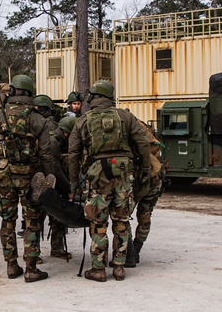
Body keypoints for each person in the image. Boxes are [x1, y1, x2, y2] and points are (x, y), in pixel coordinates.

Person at [67, 80, 151, 282]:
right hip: (124, 174)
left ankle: (98, 269)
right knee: (121, 221)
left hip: (98, 177)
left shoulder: (83, 120)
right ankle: (119, 267)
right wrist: (145, 169)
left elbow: (73, 153)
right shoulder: (126, 116)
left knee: (98, 222)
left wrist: (73, 182)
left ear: (92, 97)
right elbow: (143, 143)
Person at [0, 75, 59, 282]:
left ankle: (11, 265)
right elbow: (45, 154)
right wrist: (49, 177)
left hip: (2, 176)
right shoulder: (37, 119)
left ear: (13, 91)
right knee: (32, 221)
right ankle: (32, 268)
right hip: (29, 177)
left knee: (7, 221)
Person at [32, 96, 73, 260]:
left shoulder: (41, 128)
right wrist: (68, 187)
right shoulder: (53, 141)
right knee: (40, 217)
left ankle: (51, 249)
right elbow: (55, 168)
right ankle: (37, 253)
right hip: (46, 182)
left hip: (43, 180)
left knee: (46, 218)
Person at [127, 119, 166, 266]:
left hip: (138, 181)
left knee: (123, 217)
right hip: (155, 179)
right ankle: (136, 250)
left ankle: (129, 253)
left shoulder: (129, 134)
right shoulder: (146, 132)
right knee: (145, 217)